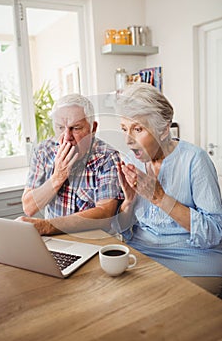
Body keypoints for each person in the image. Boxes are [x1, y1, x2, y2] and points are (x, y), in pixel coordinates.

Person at [113, 82, 222, 295]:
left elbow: (215, 233)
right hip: (142, 251)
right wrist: (127, 202)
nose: (128, 140)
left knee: (160, 301)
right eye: (124, 129)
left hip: (192, 255)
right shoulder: (132, 161)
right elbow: (124, 229)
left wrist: (160, 198)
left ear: (163, 130)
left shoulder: (195, 160)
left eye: (137, 129)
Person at [19, 93, 124, 235]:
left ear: (93, 129)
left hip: (94, 241)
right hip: (56, 241)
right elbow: (29, 206)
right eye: (60, 128)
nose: (67, 137)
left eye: (76, 128)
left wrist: (47, 226)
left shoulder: (107, 157)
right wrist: (57, 178)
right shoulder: (43, 151)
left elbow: (105, 214)